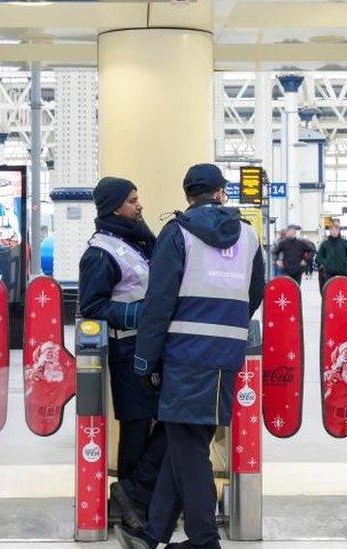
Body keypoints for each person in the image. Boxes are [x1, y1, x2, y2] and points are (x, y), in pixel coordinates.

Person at [117, 164, 264, 549]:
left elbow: (159, 302)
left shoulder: (177, 233)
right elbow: (256, 291)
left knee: (188, 446)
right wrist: (228, 324)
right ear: (220, 192)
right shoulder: (248, 236)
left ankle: (203, 540)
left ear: (188, 195)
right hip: (225, 357)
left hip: (184, 356)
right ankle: (153, 535)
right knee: (186, 441)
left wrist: (145, 358)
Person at [78, 176, 164, 531]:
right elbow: (91, 305)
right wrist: (139, 312)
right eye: (132, 200)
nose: (139, 205)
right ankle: (133, 503)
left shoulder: (136, 241)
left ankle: (136, 495)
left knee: (162, 421)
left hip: (151, 345)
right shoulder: (101, 252)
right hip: (127, 347)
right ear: (114, 206)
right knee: (136, 426)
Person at [315, 220, 347, 292]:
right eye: (332, 229)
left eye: (336, 229)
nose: (334, 231)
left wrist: (345, 262)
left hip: (343, 273)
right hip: (329, 274)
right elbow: (318, 257)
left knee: (343, 292)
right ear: (330, 230)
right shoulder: (325, 243)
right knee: (330, 292)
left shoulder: (345, 243)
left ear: (339, 230)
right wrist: (325, 263)